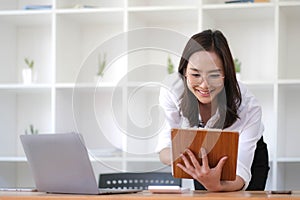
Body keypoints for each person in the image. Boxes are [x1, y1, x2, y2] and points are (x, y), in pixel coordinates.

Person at [156, 29, 269, 192]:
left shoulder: (247, 106)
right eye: (195, 74)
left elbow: (241, 174)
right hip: (202, 156)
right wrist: (189, 161)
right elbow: (165, 148)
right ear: (184, 72)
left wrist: (215, 185)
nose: (204, 85)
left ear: (227, 74)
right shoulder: (172, 92)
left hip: (246, 156)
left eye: (214, 75)